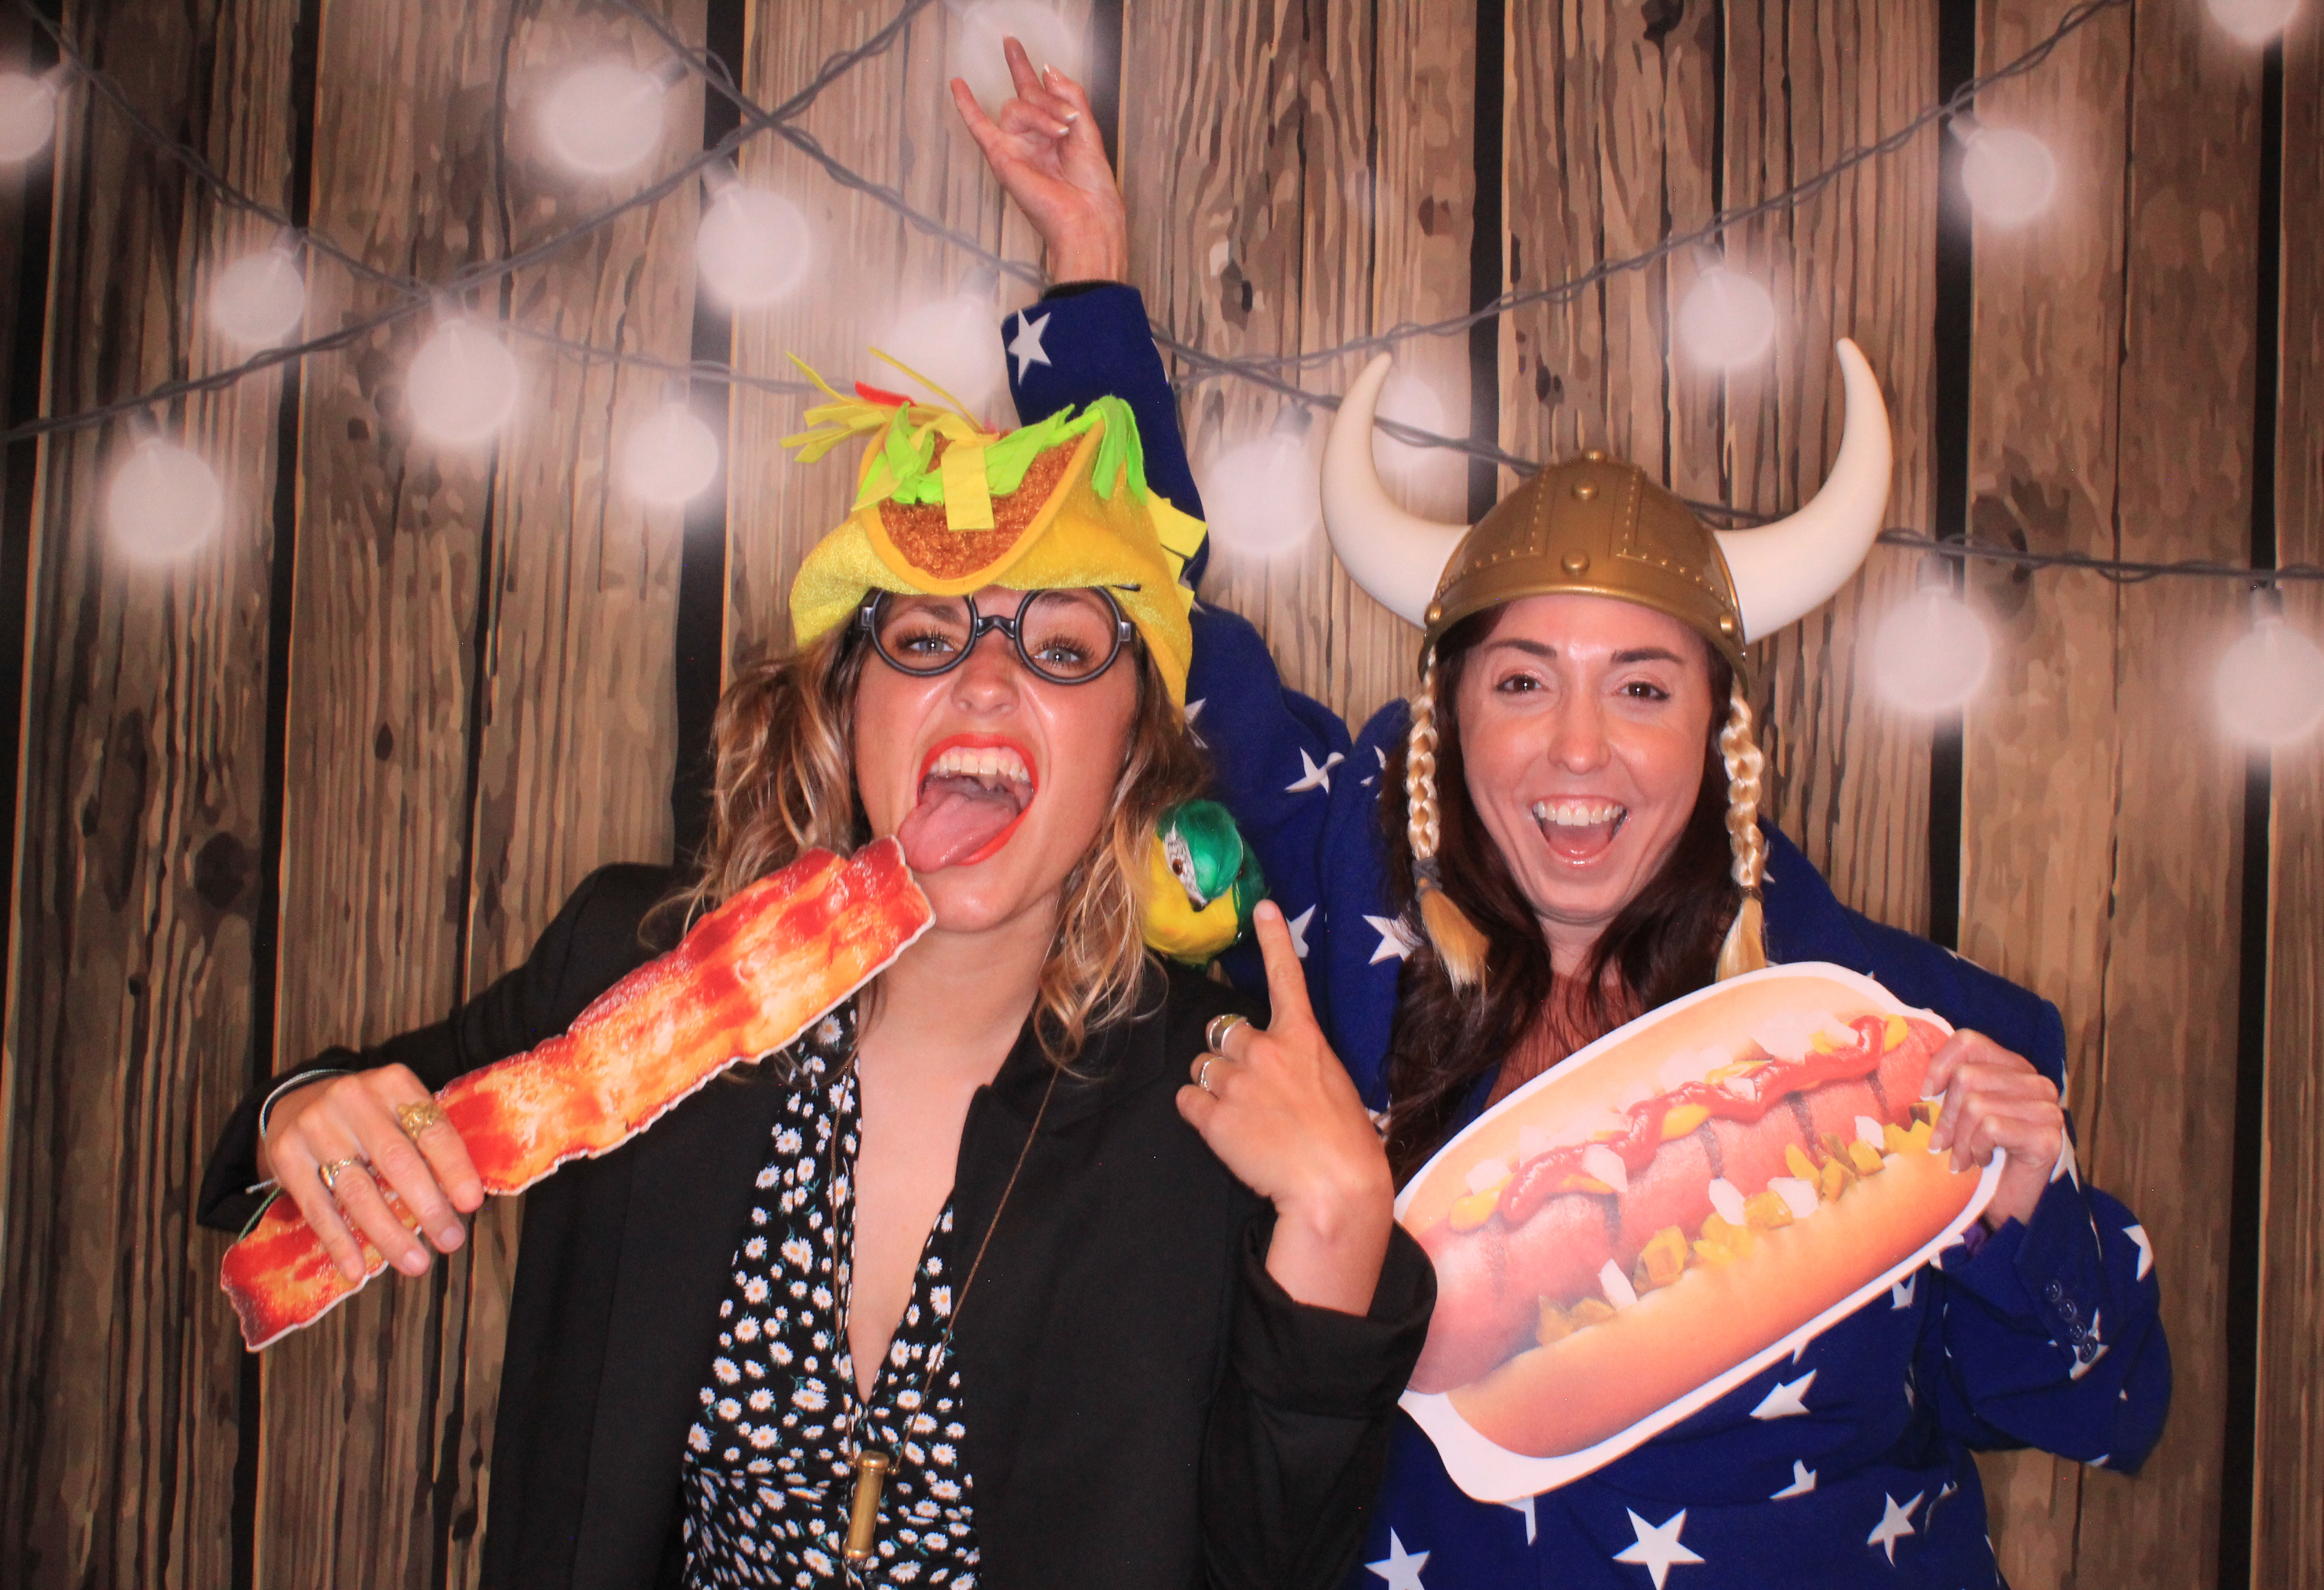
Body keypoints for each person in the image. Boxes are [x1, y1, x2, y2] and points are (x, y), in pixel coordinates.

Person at [958, 47, 2168, 1587]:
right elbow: (1158, 617)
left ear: (1718, 730)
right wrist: (1085, 271)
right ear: (1452, 717)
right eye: (1523, 682)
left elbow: (2098, 1407)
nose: (1577, 749)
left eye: (1642, 688)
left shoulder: (1898, 1030)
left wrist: (2025, 1201)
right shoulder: (1339, 895)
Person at [197, 357, 1434, 1589]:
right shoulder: (635, 969)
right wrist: (299, 1122)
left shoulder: (1212, 1104)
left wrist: (1336, 1226)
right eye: (926, 635)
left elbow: (1266, 1567)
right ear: (847, 711)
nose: (986, 677)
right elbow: (312, 1147)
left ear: (1132, 753)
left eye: (1062, 648)